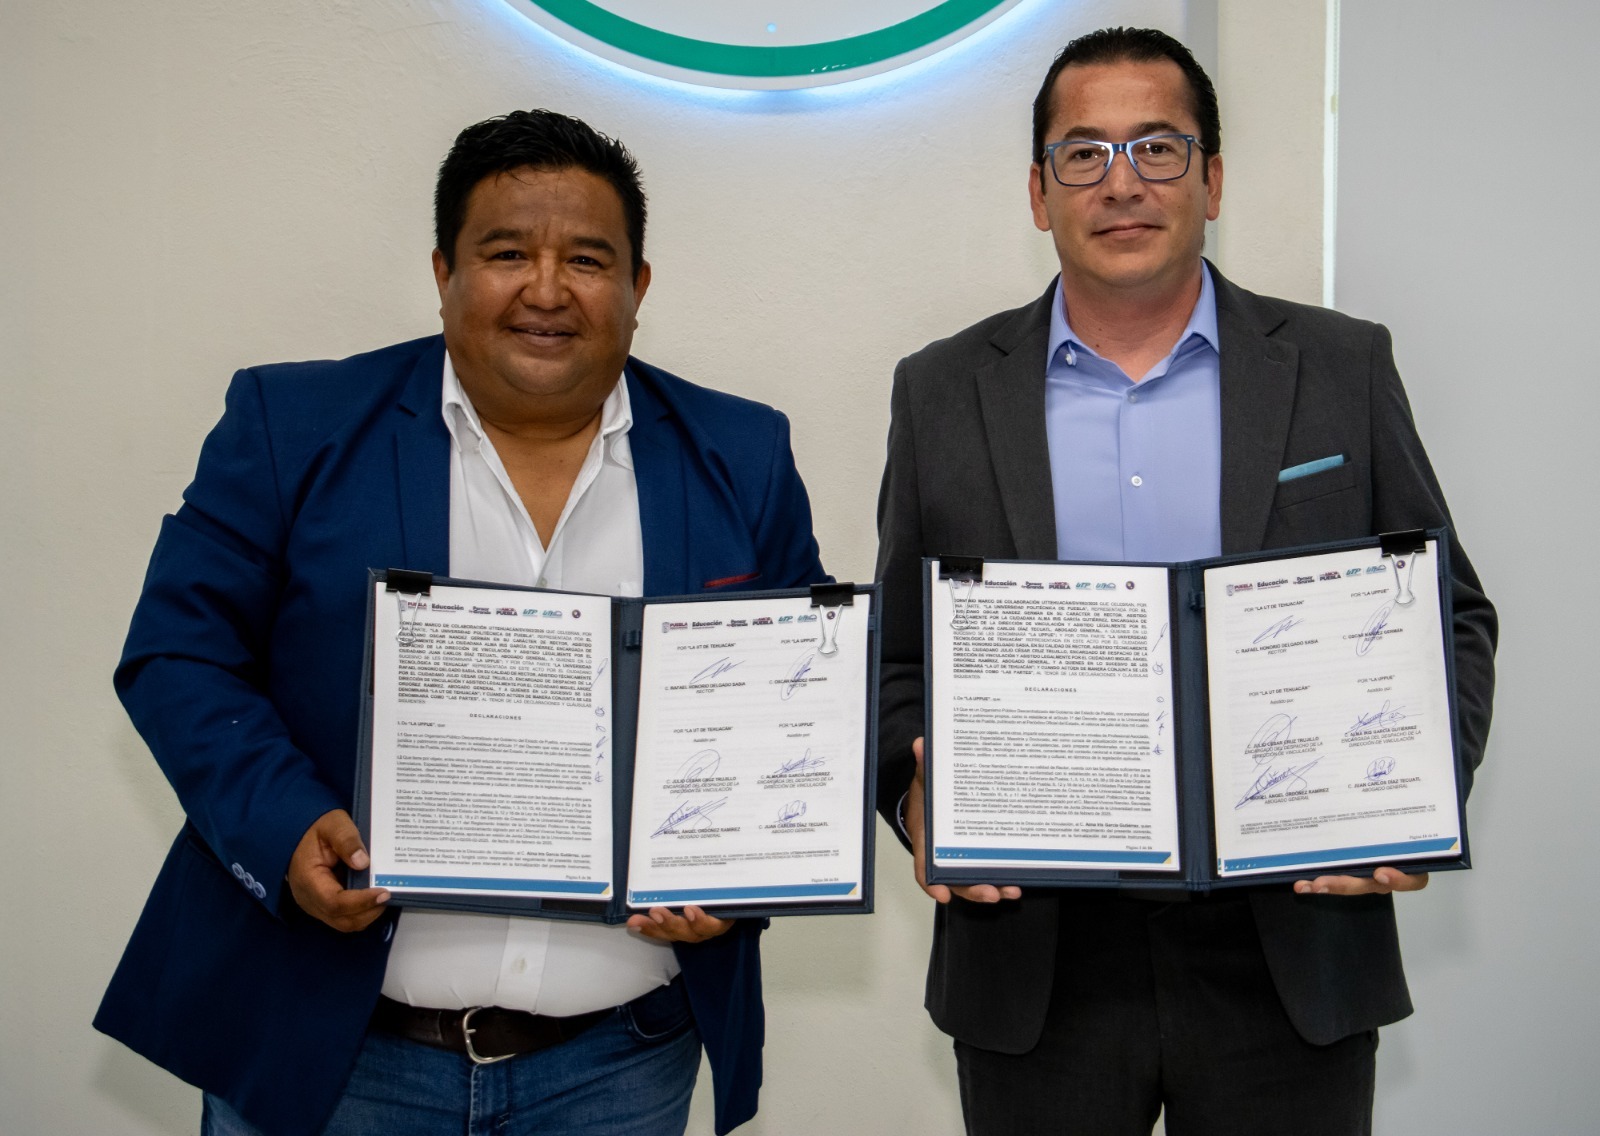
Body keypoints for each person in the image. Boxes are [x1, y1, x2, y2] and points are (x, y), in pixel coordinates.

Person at [96, 109, 826, 1136]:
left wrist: (738, 877)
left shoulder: (741, 452)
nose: (546, 289)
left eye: (587, 259)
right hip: (334, 1054)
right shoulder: (292, 426)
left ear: (639, 286)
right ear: (443, 272)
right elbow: (179, 653)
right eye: (506, 253)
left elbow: (797, 698)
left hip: (620, 1068)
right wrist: (285, 824)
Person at [874, 26, 1497, 1136]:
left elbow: (1449, 614)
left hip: (1291, 942)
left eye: (1157, 147)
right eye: (1084, 153)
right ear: (1038, 193)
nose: (1122, 183)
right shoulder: (942, 391)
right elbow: (900, 660)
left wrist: (1410, 792)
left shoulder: (1340, 364)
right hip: (1036, 955)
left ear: (1212, 178)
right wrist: (913, 795)